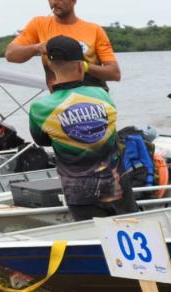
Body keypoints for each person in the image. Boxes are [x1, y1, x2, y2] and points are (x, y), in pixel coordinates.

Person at [28, 36, 135, 221]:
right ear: (81, 66)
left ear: (50, 66)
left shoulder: (40, 108)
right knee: (131, 227)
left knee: (92, 237)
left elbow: (42, 140)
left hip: (79, 193)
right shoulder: (102, 95)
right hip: (118, 186)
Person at [5, 0, 121, 90]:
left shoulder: (94, 30)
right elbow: (10, 54)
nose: (54, 2)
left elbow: (115, 73)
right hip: (61, 101)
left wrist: (83, 66)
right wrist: (37, 47)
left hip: (95, 101)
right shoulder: (39, 24)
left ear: (74, 1)